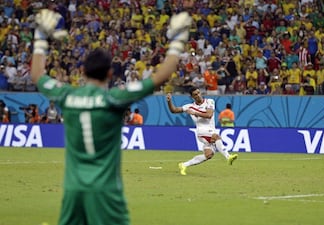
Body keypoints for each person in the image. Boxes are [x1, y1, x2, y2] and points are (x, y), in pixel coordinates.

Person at [30, 9, 192, 225]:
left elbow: (38, 75)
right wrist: (178, 40)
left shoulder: (67, 96)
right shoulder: (114, 99)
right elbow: (161, 76)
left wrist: (40, 38)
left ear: (83, 72)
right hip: (105, 191)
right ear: (109, 74)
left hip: (73, 190)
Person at [166, 86, 238, 176]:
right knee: (216, 137)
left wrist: (195, 113)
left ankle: (183, 165)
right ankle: (228, 157)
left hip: (211, 130)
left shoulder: (209, 102)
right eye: (195, 95)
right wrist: (169, 101)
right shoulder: (190, 106)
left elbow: (209, 115)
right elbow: (174, 110)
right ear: (192, 97)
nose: (198, 95)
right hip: (202, 131)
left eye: (199, 93)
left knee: (209, 155)